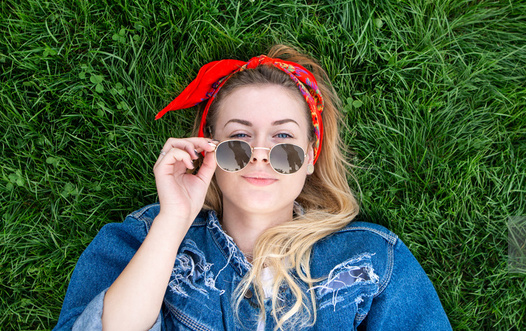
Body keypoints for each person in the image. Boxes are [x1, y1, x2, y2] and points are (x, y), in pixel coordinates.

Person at [55, 45, 452, 330]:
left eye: (283, 139)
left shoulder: (370, 260)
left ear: (311, 156)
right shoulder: (140, 239)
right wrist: (173, 221)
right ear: (208, 147)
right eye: (239, 139)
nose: (261, 155)